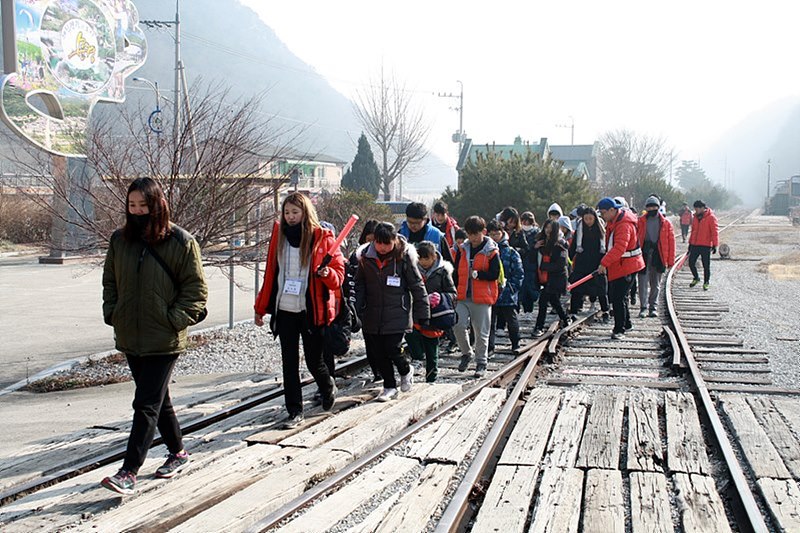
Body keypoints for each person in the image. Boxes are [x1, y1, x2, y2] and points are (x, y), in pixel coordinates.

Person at [100, 177, 208, 495]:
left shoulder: (181, 241)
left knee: (145, 402)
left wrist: (174, 320)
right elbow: (110, 281)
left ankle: (129, 471)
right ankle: (178, 453)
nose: (137, 211)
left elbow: (196, 290)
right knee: (158, 400)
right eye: (132, 205)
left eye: (143, 205)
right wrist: (112, 312)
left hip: (163, 337)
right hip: (131, 334)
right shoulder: (120, 240)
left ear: (157, 205)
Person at [254, 193, 343, 429]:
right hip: (284, 309)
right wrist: (260, 308)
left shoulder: (322, 237)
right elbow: (270, 274)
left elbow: (339, 277)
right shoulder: (279, 236)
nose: (290, 217)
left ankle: (327, 385)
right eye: (287, 212)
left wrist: (327, 274)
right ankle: (295, 411)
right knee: (289, 362)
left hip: (311, 310)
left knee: (314, 361)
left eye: (295, 212)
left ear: (305, 212)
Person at [355, 222, 430, 401]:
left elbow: (417, 286)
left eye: (387, 243)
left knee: (393, 348)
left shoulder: (403, 258)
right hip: (372, 314)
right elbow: (359, 285)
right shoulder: (365, 258)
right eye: (378, 243)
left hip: (398, 313)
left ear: (395, 240)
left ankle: (405, 369)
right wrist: (356, 310)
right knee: (379, 352)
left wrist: (423, 313)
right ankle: (389, 386)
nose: (382, 247)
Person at [453, 216, 501, 377]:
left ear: (483, 232)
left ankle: (481, 362)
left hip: (482, 297)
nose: (473, 238)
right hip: (462, 296)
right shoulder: (462, 249)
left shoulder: (491, 251)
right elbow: (455, 272)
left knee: (481, 332)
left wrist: (477, 274)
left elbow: (495, 274)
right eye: (470, 234)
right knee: (457, 324)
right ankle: (466, 353)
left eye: (476, 234)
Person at [406, 241, 456, 382]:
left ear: (434, 256)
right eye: (420, 258)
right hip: (415, 313)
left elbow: (453, 294)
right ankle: (417, 357)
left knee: (431, 349)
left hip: (434, 315)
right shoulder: (411, 270)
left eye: (426, 258)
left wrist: (440, 297)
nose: (423, 262)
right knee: (410, 334)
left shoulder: (442, 272)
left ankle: (431, 378)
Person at [596, 197, 645, 339]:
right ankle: (626, 324)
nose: (602, 216)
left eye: (603, 213)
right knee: (620, 297)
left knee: (618, 298)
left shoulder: (623, 225)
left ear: (612, 210)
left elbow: (619, 248)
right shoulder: (615, 221)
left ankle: (619, 329)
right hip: (621, 265)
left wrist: (604, 263)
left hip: (627, 265)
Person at [347, 219, 381, 382]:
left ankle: (383, 371)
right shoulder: (356, 256)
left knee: (384, 341)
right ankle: (377, 372)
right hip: (365, 306)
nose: (371, 244)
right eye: (368, 240)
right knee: (370, 341)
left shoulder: (388, 255)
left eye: (375, 240)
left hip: (383, 305)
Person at [487, 220, 523, 352]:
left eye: (497, 234)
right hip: (490, 292)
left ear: (502, 233)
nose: (494, 237)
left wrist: (512, 288)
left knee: (511, 320)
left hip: (507, 292)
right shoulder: (486, 252)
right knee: (489, 322)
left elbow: (519, 273)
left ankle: (516, 343)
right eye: (492, 234)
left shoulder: (511, 252)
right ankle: (489, 348)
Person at [637, 196, 676, 317]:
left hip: (658, 255)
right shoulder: (640, 221)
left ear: (658, 207)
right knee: (642, 282)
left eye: (654, 206)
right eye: (649, 207)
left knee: (656, 283)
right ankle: (643, 307)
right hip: (643, 254)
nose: (651, 209)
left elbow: (671, 242)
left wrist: (670, 261)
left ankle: (653, 307)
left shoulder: (666, 223)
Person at [568, 206, 609, 321]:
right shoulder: (580, 229)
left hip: (597, 262)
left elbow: (605, 247)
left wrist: (605, 262)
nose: (588, 221)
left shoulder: (600, 229)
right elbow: (573, 247)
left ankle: (605, 310)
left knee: (601, 289)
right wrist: (569, 259)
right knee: (577, 288)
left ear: (595, 218)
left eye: (590, 219)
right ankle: (573, 311)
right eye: (586, 219)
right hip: (582, 262)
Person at [532, 219, 571, 336]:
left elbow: (561, 264)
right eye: (546, 227)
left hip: (556, 278)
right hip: (544, 277)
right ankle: (565, 318)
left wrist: (545, 266)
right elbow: (531, 258)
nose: (548, 230)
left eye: (550, 228)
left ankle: (539, 327)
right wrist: (534, 248)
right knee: (554, 301)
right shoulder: (541, 242)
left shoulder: (560, 244)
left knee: (543, 301)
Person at [688, 200, 719, 290]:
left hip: (706, 245)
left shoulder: (711, 217)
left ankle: (706, 282)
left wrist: (715, 244)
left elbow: (714, 232)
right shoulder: (695, 218)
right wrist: (690, 243)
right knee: (691, 262)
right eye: (695, 209)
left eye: (697, 209)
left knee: (706, 265)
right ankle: (696, 277)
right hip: (695, 244)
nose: (695, 210)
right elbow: (693, 231)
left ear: (702, 208)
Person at [518, 211, 540, 313]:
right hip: (520, 263)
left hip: (532, 264)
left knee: (531, 288)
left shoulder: (537, 233)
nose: (526, 224)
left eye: (529, 221)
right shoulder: (518, 232)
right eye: (524, 221)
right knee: (521, 288)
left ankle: (529, 310)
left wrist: (533, 248)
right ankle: (523, 309)